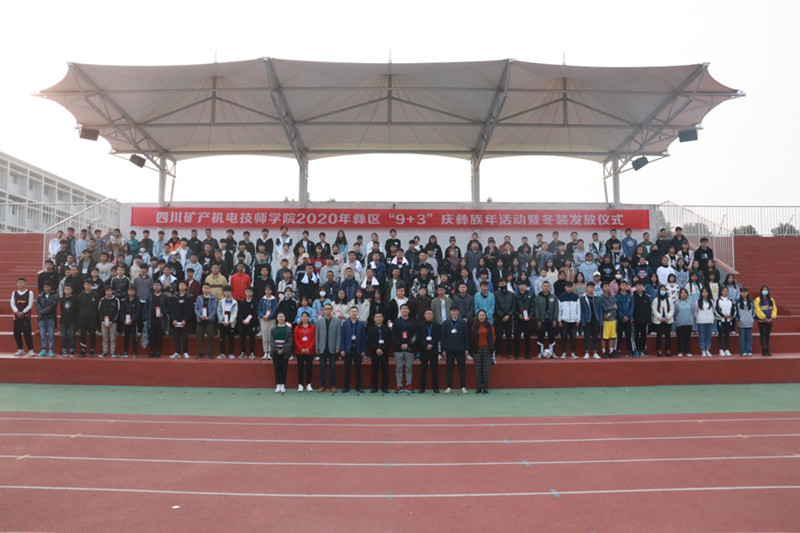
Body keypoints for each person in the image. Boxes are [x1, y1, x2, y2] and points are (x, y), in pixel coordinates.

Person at [441, 306, 470, 394]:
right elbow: (443, 337)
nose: (454, 312)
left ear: (458, 312)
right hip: (449, 349)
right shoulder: (446, 323)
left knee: (462, 368)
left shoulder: (462, 323)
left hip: (461, 349)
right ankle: (449, 386)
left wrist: (466, 348)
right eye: (453, 311)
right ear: (450, 312)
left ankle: (463, 386)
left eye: (456, 311)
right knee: (449, 368)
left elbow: (466, 336)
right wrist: (443, 349)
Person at [314, 303, 341, 392]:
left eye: (329, 309)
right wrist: (317, 347)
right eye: (326, 309)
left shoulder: (337, 321)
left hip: (332, 347)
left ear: (332, 310)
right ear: (323, 310)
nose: (328, 310)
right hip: (322, 347)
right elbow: (317, 335)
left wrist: (337, 347)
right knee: (322, 367)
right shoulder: (318, 322)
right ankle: (322, 386)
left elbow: (338, 335)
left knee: (333, 367)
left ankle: (333, 385)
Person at [339, 306, 366, 393]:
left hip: (358, 349)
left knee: (358, 369)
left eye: (355, 311)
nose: (354, 313)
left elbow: (363, 338)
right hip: (348, 348)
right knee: (347, 369)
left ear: (358, 313)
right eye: (352, 311)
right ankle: (346, 387)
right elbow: (342, 337)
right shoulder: (345, 324)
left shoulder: (362, 324)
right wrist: (342, 349)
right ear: (349, 313)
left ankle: (359, 386)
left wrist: (363, 350)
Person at [392, 304, 416, 393]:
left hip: (410, 349)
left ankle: (409, 385)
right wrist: (400, 344)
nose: (404, 310)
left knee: (409, 368)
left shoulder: (413, 322)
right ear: (400, 310)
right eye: (403, 309)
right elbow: (393, 336)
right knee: (399, 368)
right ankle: (399, 386)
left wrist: (408, 344)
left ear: (409, 311)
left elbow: (415, 335)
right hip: (398, 349)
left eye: (406, 309)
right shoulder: (396, 322)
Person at [144, 280, 171, 358]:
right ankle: (151, 351)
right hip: (151, 319)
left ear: (161, 286)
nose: (156, 287)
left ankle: (158, 351)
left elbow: (168, 308)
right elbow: (146, 308)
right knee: (151, 336)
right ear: (153, 287)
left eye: (158, 285)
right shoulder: (150, 296)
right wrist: (145, 318)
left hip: (161, 320)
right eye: (155, 285)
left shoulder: (165, 297)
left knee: (159, 336)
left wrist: (163, 313)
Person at [366, 311, 391, 393]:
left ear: (383, 318)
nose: (378, 318)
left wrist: (382, 349)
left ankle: (385, 387)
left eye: (380, 317)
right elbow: (370, 341)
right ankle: (374, 387)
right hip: (375, 352)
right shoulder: (370, 329)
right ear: (374, 319)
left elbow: (389, 340)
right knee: (374, 370)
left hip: (384, 352)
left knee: (385, 370)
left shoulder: (387, 329)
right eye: (376, 317)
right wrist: (376, 349)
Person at [417, 309, 441, 393]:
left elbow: (438, 337)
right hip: (424, 349)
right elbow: (419, 337)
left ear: (433, 315)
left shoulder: (437, 326)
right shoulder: (420, 326)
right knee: (423, 368)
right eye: (427, 313)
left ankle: (435, 387)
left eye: (430, 313)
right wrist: (426, 345)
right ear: (424, 315)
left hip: (433, 349)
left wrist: (432, 344)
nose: (428, 315)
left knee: (434, 369)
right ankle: (422, 387)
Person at [10, 277, 35, 356]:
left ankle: (31, 350)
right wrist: (17, 311)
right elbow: (12, 304)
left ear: (25, 283)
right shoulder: (14, 293)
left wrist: (23, 312)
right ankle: (20, 349)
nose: (20, 284)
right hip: (16, 317)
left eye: (22, 282)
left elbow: (30, 304)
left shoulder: (30, 292)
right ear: (17, 284)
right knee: (16, 334)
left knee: (27, 334)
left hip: (25, 317)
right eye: (19, 282)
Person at [471, 309, 494, 394]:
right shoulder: (474, 326)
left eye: (483, 315)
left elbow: (493, 337)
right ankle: (479, 387)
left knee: (486, 370)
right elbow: (472, 337)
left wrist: (491, 347)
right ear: (477, 317)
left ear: (485, 316)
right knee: (478, 369)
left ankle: (485, 387)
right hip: (477, 349)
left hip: (487, 349)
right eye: (480, 315)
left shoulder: (489, 326)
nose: (481, 317)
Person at [169, 281, 194, 359]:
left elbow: (190, 310)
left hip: (185, 320)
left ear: (186, 287)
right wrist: (174, 319)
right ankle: (177, 352)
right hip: (176, 320)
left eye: (183, 285)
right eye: (180, 285)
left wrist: (185, 320)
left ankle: (185, 352)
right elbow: (172, 310)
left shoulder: (189, 297)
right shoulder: (174, 297)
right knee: (176, 337)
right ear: (178, 287)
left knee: (185, 337)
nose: (182, 286)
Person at [534, 281, 559, 357]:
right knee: (540, 336)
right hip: (542, 320)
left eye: (548, 286)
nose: (546, 287)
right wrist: (538, 320)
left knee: (552, 336)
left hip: (551, 320)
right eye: (544, 286)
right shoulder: (538, 297)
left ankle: (552, 352)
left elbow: (556, 309)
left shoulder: (553, 297)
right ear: (541, 287)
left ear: (550, 287)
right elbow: (536, 309)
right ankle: (540, 352)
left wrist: (555, 319)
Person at [270, 311, 293, 393]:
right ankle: (278, 384)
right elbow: (271, 341)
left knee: (283, 368)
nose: (280, 318)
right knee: (277, 369)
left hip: (284, 352)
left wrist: (283, 349)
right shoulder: (273, 329)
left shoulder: (288, 329)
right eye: (279, 317)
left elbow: (289, 341)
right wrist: (276, 349)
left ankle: (283, 384)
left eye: (282, 317)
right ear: (277, 318)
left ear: (284, 318)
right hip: (275, 352)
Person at [76, 279, 100, 357]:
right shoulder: (80, 296)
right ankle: (83, 350)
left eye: (89, 285)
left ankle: (92, 350)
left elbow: (97, 307)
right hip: (83, 318)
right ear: (84, 285)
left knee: (92, 334)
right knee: (83, 334)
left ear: (91, 286)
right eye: (86, 285)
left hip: (92, 318)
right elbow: (78, 307)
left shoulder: (95, 295)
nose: (87, 286)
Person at [194, 283, 218, 359]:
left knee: (210, 337)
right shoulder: (199, 298)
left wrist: (209, 317)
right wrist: (199, 316)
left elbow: (214, 309)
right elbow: (196, 308)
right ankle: (201, 353)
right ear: (202, 289)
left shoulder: (213, 298)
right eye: (204, 288)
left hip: (209, 320)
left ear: (210, 289)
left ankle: (210, 353)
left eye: (207, 288)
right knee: (200, 338)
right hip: (200, 320)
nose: (206, 289)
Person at [580, 281, 603, 359]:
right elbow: (582, 311)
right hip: (587, 320)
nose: (591, 289)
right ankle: (586, 352)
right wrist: (583, 321)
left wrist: (600, 321)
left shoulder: (597, 298)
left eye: (593, 288)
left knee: (595, 337)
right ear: (586, 288)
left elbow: (600, 310)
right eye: (590, 287)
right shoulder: (583, 299)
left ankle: (595, 352)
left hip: (595, 319)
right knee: (586, 337)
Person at [294, 311, 315, 392]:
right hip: (300, 351)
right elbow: (296, 340)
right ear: (301, 318)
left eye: (306, 316)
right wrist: (301, 348)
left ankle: (309, 384)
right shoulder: (297, 328)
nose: (305, 318)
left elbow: (313, 339)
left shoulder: (312, 327)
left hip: (310, 351)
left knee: (309, 368)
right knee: (300, 368)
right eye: (303, 316)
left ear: (308, 318)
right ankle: (300, 384)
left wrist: (309, 348)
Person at [36, 281, 59, 357]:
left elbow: (52, 307)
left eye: (47, 287)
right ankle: (43, 349)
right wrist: (41, 312)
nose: (46, 288)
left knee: (51, 335)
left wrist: (42, 311)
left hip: (50, 318)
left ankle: (50, 350)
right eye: (45, 287)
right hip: (41, 318)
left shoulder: (55, 296)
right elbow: (38, 306)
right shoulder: (40, 296)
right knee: (43, 335)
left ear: (50, 287)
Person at [513, 280, 534, 359]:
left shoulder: (530, 295)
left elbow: (532, 307)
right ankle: (516, 354)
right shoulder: (515, 296)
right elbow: (513, 307)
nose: (522, 287)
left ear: (526, 286)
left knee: (527, 338)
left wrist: (530, 316)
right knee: (516, 337)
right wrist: (518, 315)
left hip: (527, 319)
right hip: (518, 320)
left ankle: (527, 354)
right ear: (518, 287)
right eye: (520, 285)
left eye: (524, 285)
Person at [651, 284, 674, 357]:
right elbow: (654, 310)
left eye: (664, 290)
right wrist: (660, 318)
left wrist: (667, 318)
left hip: (668, 320)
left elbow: (672, 309)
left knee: (668, 336)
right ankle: (659, 351)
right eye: (661, 290)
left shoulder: (669, 299)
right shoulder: (656, 300)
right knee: (659, 336)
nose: (663, 291)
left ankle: (668, 351)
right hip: (659, 321)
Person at [216, 285, 238, 359]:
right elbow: (219, 311)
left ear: (231, 292)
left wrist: (230, 321)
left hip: (230, 322)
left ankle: (231, 353)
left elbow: (235, 313)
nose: (227, 293)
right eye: (225, 291)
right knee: (222, 338)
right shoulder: (221, 301)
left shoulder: (235, 302)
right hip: (222, 321)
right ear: (223, 292)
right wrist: (221, 320)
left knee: (231, 338)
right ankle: (222, 353)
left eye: (228, 291)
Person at [714, 285, 736, 357]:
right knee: (721, 335)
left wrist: (731, 315)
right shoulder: (718, 300)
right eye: (724, 291)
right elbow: (716, 310)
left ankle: (727, 349)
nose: (726, 292)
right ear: (721, 292)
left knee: (727, 335)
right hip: (721, 320)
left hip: (729, 320)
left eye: (727, 291)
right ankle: (721, 349)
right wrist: (723, 315)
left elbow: (734, 310)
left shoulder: (730, 300)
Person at [98, 285, 120, 357]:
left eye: (109, 291)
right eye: (107, 291)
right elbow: (99, 311)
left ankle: (112, 352)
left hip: (113, 322)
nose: (108, 292)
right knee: (104, 337)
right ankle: (105, 352)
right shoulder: (102, 300)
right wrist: (102, 320)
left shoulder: (116, 300)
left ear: (112, 291)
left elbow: (117, 311)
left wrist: (112, 321)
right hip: (104, 322)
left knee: (112, 338)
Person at [237, 286, 258, 359]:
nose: (248, 293)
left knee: (252, 339)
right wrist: (242, 320)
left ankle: (252, 353)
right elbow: (239, 313)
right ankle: (243, 352)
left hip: (251, 323)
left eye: (250, 292)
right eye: (247, 292)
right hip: (242, 323)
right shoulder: (241, 302)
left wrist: (250, 321)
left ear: (252, 293)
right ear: (245, 293)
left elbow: (255, 313)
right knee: (242, 338)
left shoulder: (255, 302)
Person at [258, 286, 278, 360]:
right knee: (265, 336)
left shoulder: (274, 300)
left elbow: (275, 309)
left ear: (271, 291)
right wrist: (262, 316)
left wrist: (269, 316)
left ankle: (270, 352)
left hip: (271, 320)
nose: (268, 291)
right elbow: (259, 310)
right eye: (266, 290)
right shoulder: (262, 300)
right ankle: (265, 352)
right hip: (263, 319)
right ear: (265, 291)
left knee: (270, 336)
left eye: (269, 290)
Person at [120, 286, 141, 357]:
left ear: (135, 292)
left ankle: (135, 352)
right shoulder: (124, 301)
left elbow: (138, 312)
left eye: (132, 291)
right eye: (129, 291)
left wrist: (132, 320)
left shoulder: (137, 301)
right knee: (126, 337)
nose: (131, 292)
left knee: (134, 337)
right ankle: (125, 351)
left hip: (134, 323)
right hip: (126, 322)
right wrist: (123, 320)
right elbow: (121, 311)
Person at [695, 286, 716, 357]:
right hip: (701, 321)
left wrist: (711, 318)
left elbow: (713, 311)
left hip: (710, 321)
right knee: (702, 336)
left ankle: (707, 349)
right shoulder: (697, 302)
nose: (705, 293)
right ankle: (703, 350)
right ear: (701, 293)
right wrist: (699, 317)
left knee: (708, 337)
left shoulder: (712, 302)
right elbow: (695, 312)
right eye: (703, 292)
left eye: (706, 292)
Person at [614, 280, 633, 357]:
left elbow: (632, 307)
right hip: (619, 319)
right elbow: (617, 308)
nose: (624, 286)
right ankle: (618, 350)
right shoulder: (616, 296)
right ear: (619, 286)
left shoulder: (630, 296)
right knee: (619, 335)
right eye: (623, 285)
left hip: (628, 319)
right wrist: (622, 316)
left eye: (625, 285)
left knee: (629, 335)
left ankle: (629, 350)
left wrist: (628, 316)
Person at [599, 282, 618, 358]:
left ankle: (611, 351)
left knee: (612, 337)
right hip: (605, 320)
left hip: (612, 319)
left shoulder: (612, 297)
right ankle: (603, 352)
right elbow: (604, 308)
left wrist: (609, 314)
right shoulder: (600, 298)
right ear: (602, 288)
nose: (607, 288)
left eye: (608, 286)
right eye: (605, 286)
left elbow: (615, 308)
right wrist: (612, 307)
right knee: (604, 337)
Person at [674, 288, 694, 357]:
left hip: (688, 323)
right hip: (680, 323)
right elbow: (674, 313)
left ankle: (688, 351)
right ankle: (680, 351)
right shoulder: (677, 303)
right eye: (682, 293)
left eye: (685, 293)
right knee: (680, 338)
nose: (683, 294)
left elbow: (692, 312)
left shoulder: (690, 303)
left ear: (687, 294)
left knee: (687, 338)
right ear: (679, 294)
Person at [737, 287, 755, 357]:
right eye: (742, 292)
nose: (744, 294)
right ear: (740, 293)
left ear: (747, 293)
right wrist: (739, 318)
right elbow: (736, 312)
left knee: (749, 338)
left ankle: (749, 351)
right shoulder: (738, 302)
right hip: (741, 323)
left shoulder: (751, 302)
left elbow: (754, 312)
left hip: (749, 322)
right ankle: (743, 351)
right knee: (742, 338)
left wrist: (752, 319)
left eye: (745, 292)